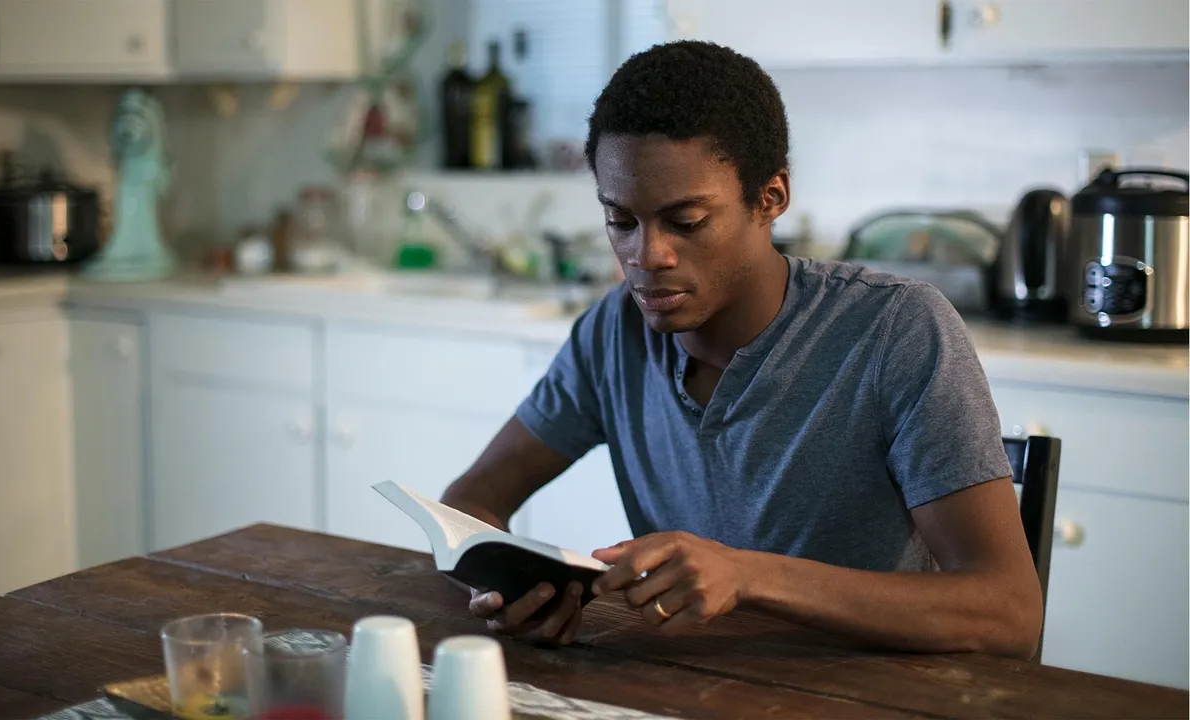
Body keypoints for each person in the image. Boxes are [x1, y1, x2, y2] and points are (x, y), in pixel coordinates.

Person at [440, 40, 1043, 660]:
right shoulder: (610, 334)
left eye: (688, 221)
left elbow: (1007, 612)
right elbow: (470, 502)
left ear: (771, 198)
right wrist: (512, 589)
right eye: (621, 221)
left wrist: (749, 576)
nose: (648, 257)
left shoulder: (897, 331)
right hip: (688, 686)